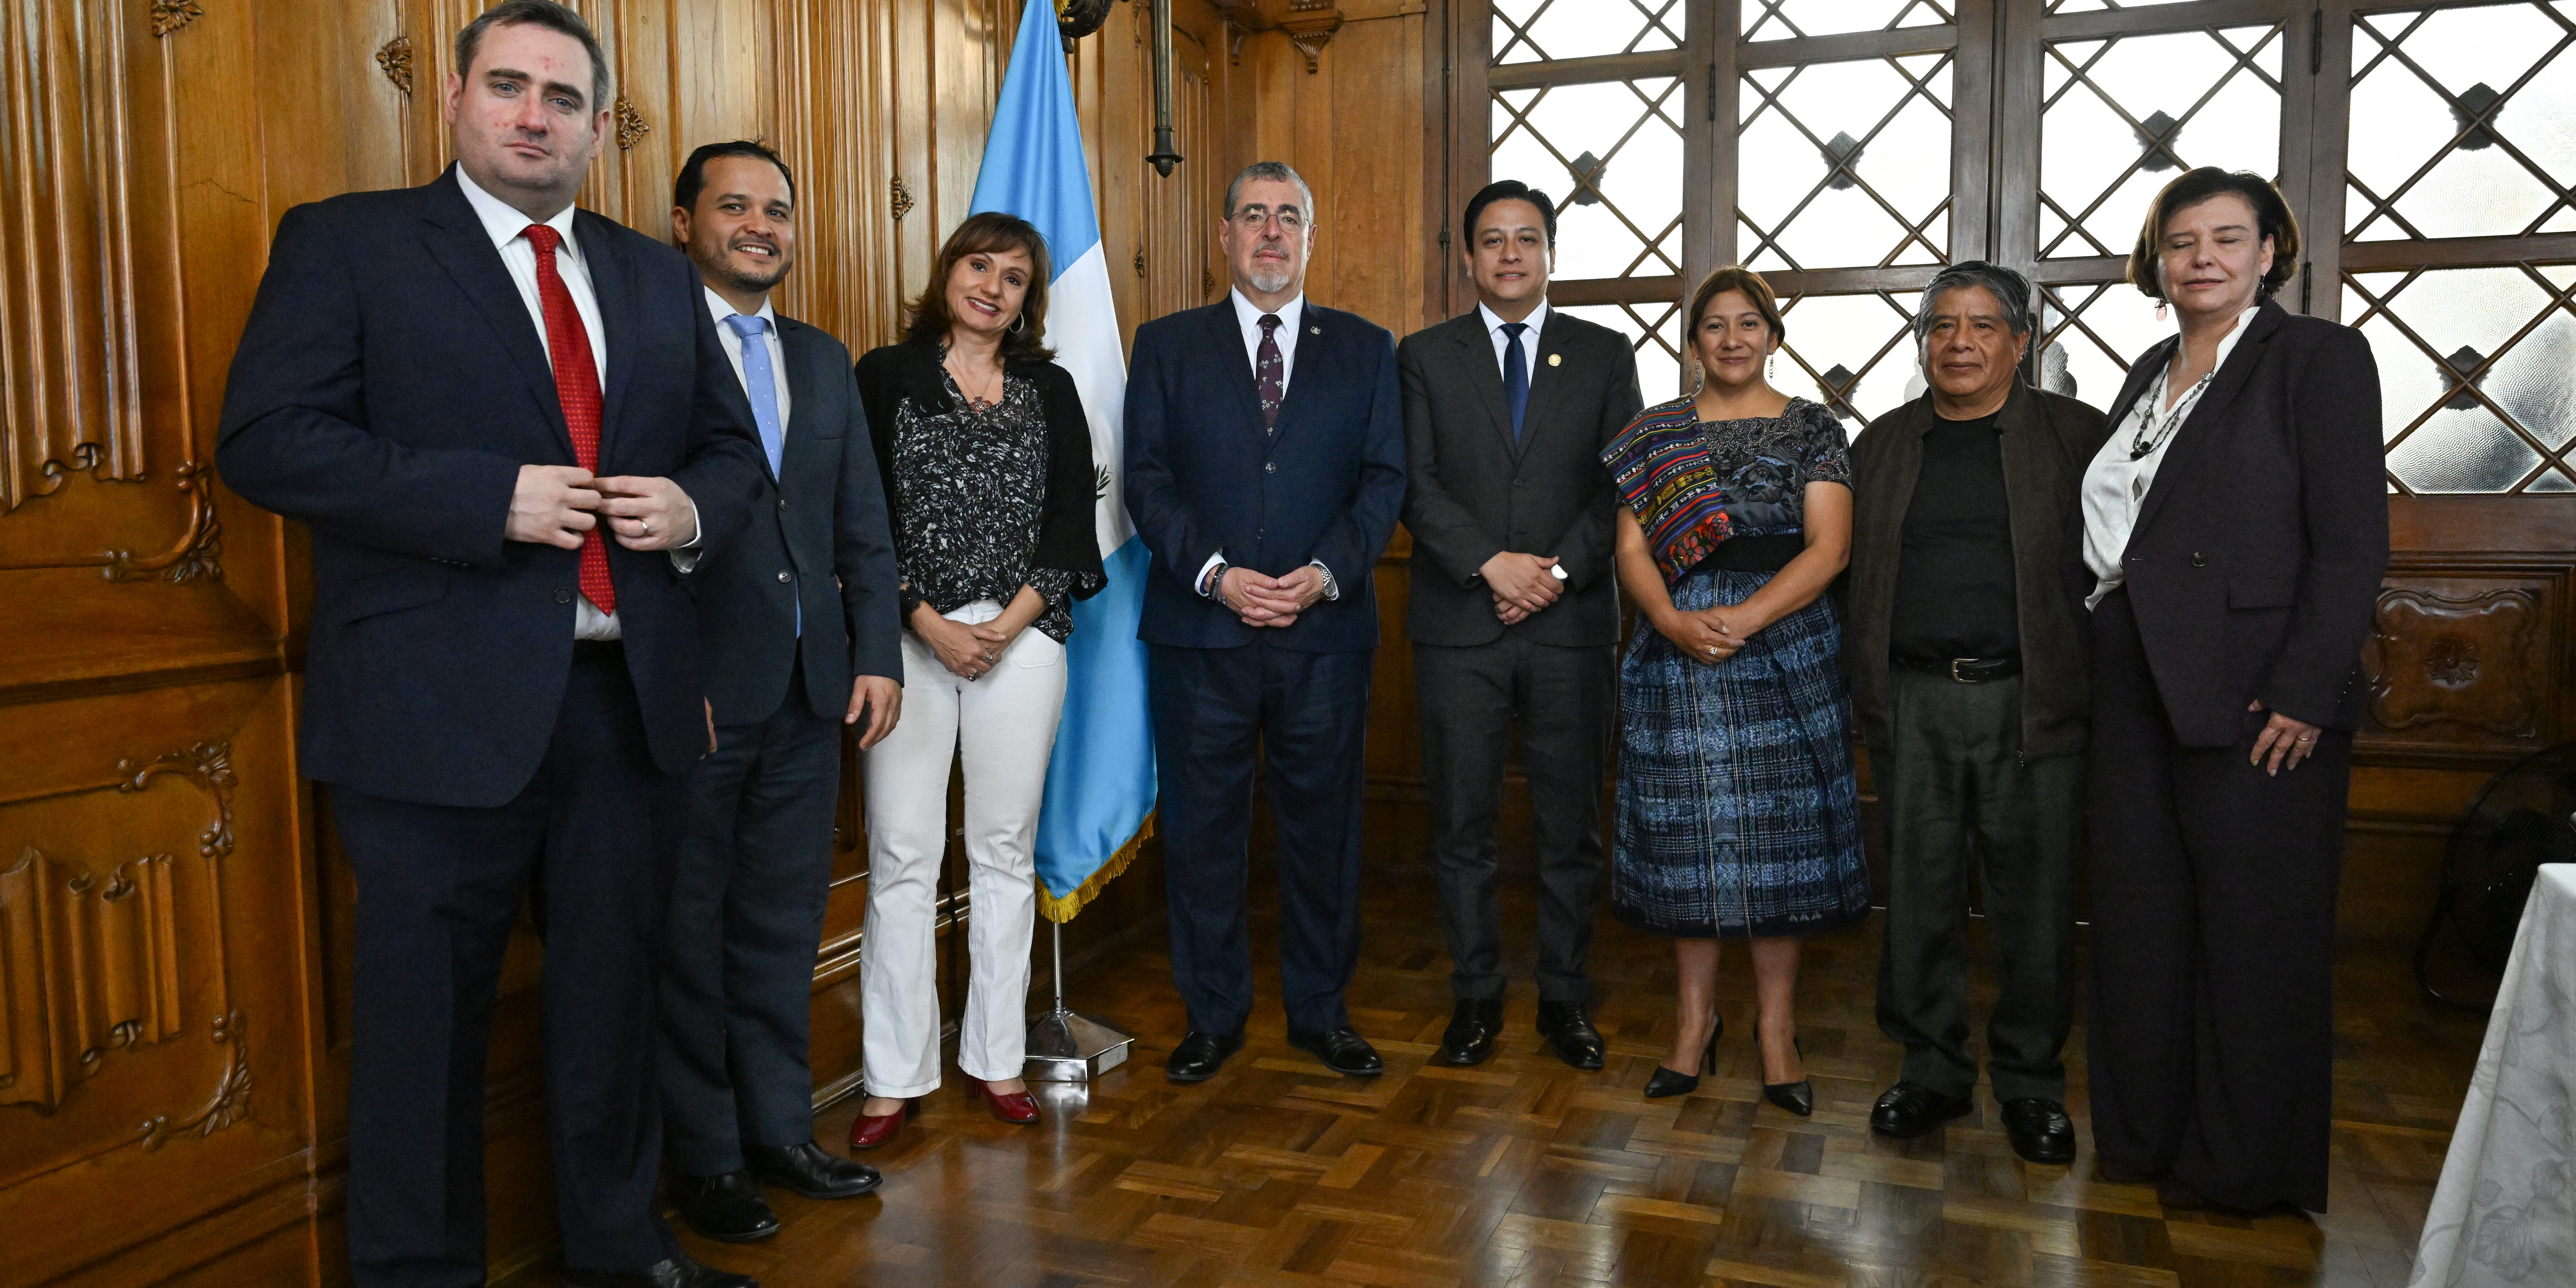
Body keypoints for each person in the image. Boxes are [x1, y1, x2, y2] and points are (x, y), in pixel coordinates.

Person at [212, 4, 767, 1286]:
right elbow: (267, 441)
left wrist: (690, 509)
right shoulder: (350, 244)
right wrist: (485, 499)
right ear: (454, 99)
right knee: (423, 1032)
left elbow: (732, 453)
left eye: (563, 98)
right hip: (429, 711)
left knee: (613, 1009)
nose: (534, 115)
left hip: (624, 705)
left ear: (600, 128)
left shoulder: (650, 275)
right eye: (508, 86)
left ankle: (619, 1256)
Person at [2078, 168, 2386, 1213]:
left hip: (2257, 695)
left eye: (2225, 238)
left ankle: (2243, 1167)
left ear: (2269, 252)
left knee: (2256, 934)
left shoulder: (2318, 358)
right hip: (2130, 678)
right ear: (2156, 261)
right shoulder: (2147, 371)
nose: (2201, 258)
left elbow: (2351, 543)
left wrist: (2307, 690)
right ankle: (2144, 1139)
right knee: (2140, 923)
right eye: (2180, 242)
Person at [656, 139, 903, 1244]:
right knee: (688, 939)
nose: (761, 226)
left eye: (778, 210)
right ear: (684, 223)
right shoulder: (649, 349)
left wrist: (876, 652)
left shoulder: (820, 355)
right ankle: (708, 1163)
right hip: (699, 700)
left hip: (813, 694)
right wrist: (671, 679)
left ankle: (780, 1132)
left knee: (780, 928)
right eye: (736, 206)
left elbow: (861, 521)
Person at [1125, 161, 1406, 1084]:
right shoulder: (1167, 345)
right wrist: (1216, 576)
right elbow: (1147, 481)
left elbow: (1384, 482)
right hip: (1200, 633)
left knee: (1324, 835)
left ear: (1312, 238)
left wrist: (1324, 576)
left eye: (1289, 216)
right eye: (1254, 215)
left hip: (1324, 635)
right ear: (1226, 235)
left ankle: (1322, 1013)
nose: (1272, 232)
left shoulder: (1366, 348)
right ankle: (1213, 1016)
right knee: (1203, 835)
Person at [846, 212, 1104, 1148]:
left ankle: (996, 1059)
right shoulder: (884, 376)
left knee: (1002, 852)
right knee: (902, 854)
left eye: (1014, 277)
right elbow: (858, 518)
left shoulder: (1051, 388)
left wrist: (1001, 627)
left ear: (1029, 300)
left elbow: (1071, 525)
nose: (993, 286)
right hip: (907, 642)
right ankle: (893, 1077)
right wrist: (927, 623)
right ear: (948, 271)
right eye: (979, 265)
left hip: (1020, 641)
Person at [1844, 261, 2105, 1164]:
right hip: (1911, 698)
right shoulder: (1881, 446)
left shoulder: (2076, 437)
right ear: (1923, 343)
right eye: (1942, 326)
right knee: (1918, 893)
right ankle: (1931, 1069)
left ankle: (2032, 1083)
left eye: (1983, 326)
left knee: (2036, 901)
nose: (1960, 344)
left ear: (2021, 343)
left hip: (2033, 700)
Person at [1603, 266, 1866, 1115]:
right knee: (1691, 845)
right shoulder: (1655, 434)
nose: (1732, 339)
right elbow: (1632, 549)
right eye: (1714, 326)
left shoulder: (1813, 426)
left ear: (1774, 337)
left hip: (1786, 645)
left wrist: (1745, 619)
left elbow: (1829, 549)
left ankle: (1776, 1032)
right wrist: (1671, 622)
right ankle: (1695, 1025)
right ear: (1692, 344)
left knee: (1781, 844)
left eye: (1749, 324)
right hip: (1676, 651)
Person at [1397, 180, 1642, 1071]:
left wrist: (1555, 573)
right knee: (1461, 825)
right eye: (1493, 240)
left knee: (1570, 826)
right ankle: (1475, 997)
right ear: (1468, 258)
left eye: (1527, 239)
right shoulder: (1424, 356)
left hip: (1570, 627)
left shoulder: (1605, 353)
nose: (1510, 254)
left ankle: (1566, 1000)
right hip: (1459, 624)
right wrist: (1490, 565)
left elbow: (1621, 481)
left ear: (1550, 255)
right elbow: (1413, 482)